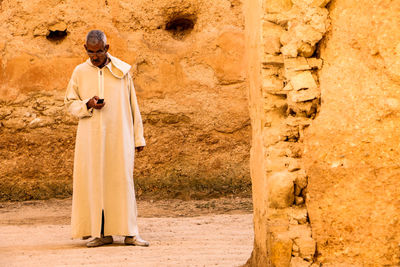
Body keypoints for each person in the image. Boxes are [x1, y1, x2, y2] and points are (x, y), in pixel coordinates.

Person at [64, 30, 148, 248]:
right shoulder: (80, 72)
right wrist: (87, 105)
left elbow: (133, 106)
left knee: (122, 183)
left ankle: (130, 233)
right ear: (85, 49)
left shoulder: (122, 71)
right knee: (95, 184)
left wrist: (138, 138)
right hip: (90, 140)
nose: (95, 56)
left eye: (99, 51)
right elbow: (69, 103)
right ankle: (101, 234)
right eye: (91, 52)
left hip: (119, 137)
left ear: (106, 49)